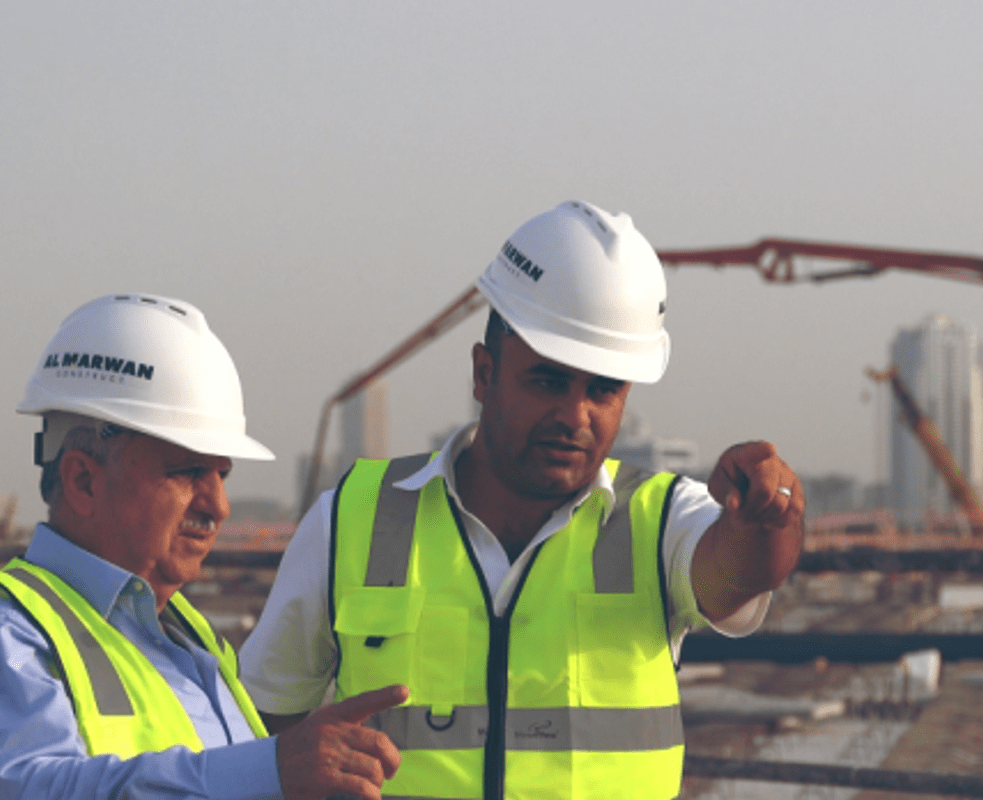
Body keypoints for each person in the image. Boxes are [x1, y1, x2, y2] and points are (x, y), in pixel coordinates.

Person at [239, 201, 806, 800]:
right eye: (548, 381)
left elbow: (739, 572)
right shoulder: (353, 520)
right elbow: (261, 722)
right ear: (484, 375)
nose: (575, 416)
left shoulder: (660, 520)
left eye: (603, 390)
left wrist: (770, 516)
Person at [0, 293, 407, 800]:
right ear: (83, 481)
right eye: (188, 472)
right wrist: (271, 768)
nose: (219, 506)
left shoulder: (191, 641)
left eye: (222, 475)